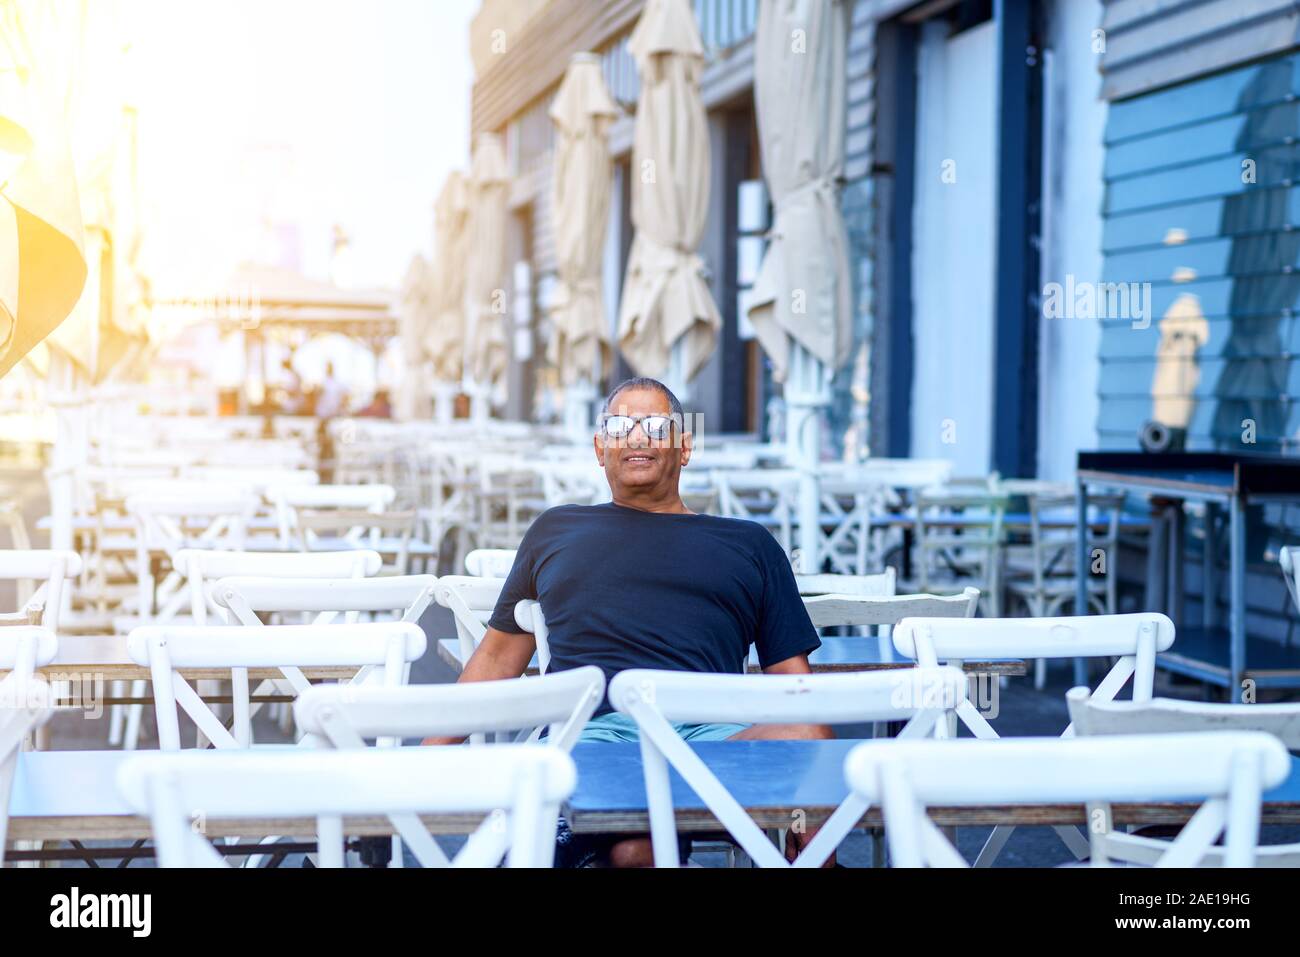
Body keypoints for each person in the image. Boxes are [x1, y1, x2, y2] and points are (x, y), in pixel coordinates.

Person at [424, 376, 834, 867]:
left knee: (809, 737)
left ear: (685, 447)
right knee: (637, 851)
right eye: (620, 426)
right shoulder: (556, 529)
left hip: (710, 738)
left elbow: (794, 691)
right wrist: (425, 758)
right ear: (600, 449)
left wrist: (804, 811)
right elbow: (495, 660)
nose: (637, 437)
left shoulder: (750, 544)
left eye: (655, 426)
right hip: (594, 734)